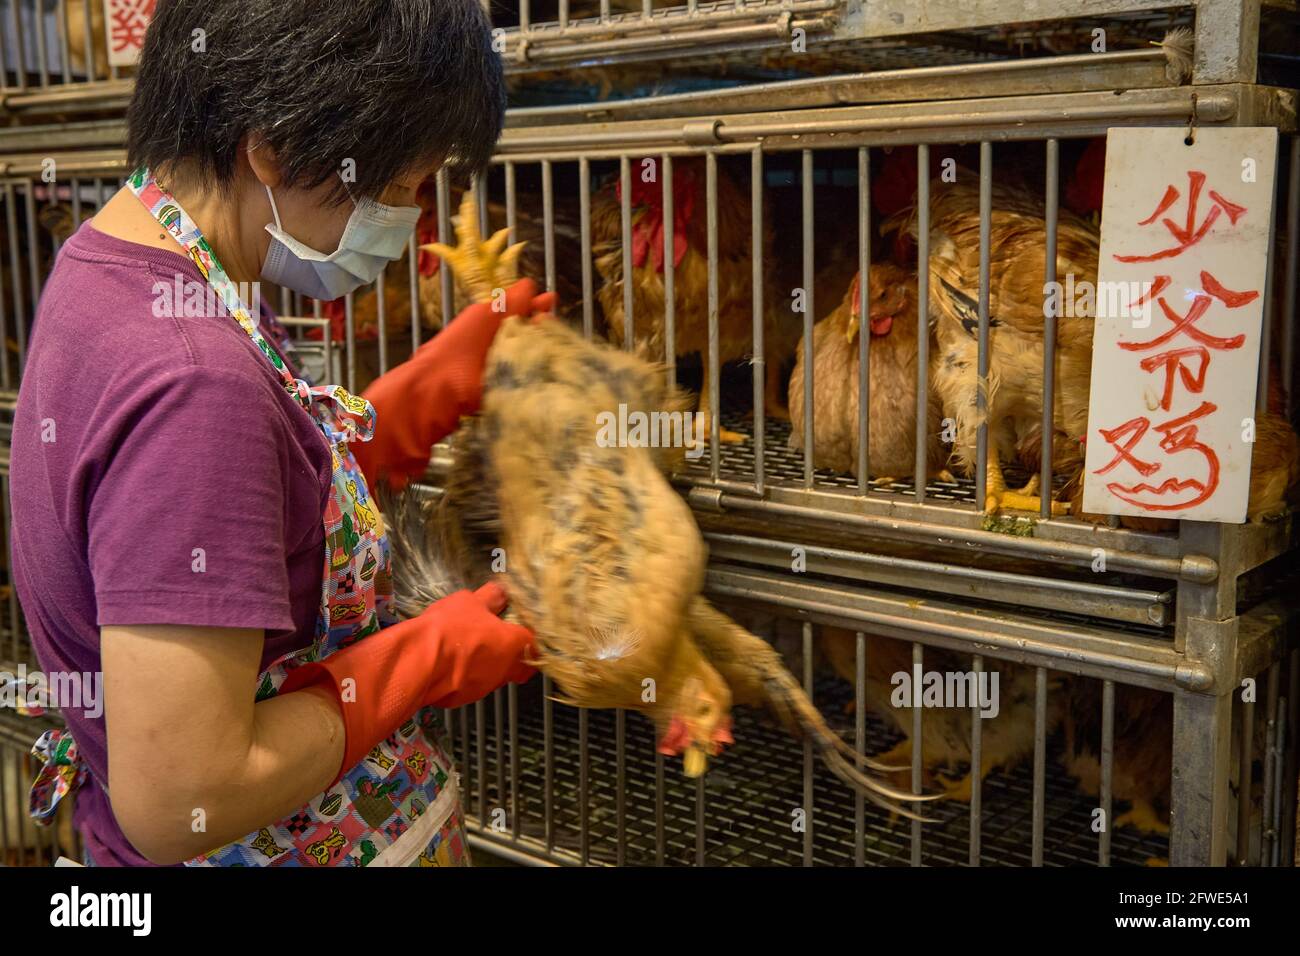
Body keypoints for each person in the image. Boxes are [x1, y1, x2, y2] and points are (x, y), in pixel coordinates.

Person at [10, 0, 541, 867]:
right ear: (273, 147)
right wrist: (423, 658)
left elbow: (235, 514)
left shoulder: (124, 264)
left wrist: (421, 395)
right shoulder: (192, 378)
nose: (406, 226)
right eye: (401, 189)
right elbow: (184, 792)